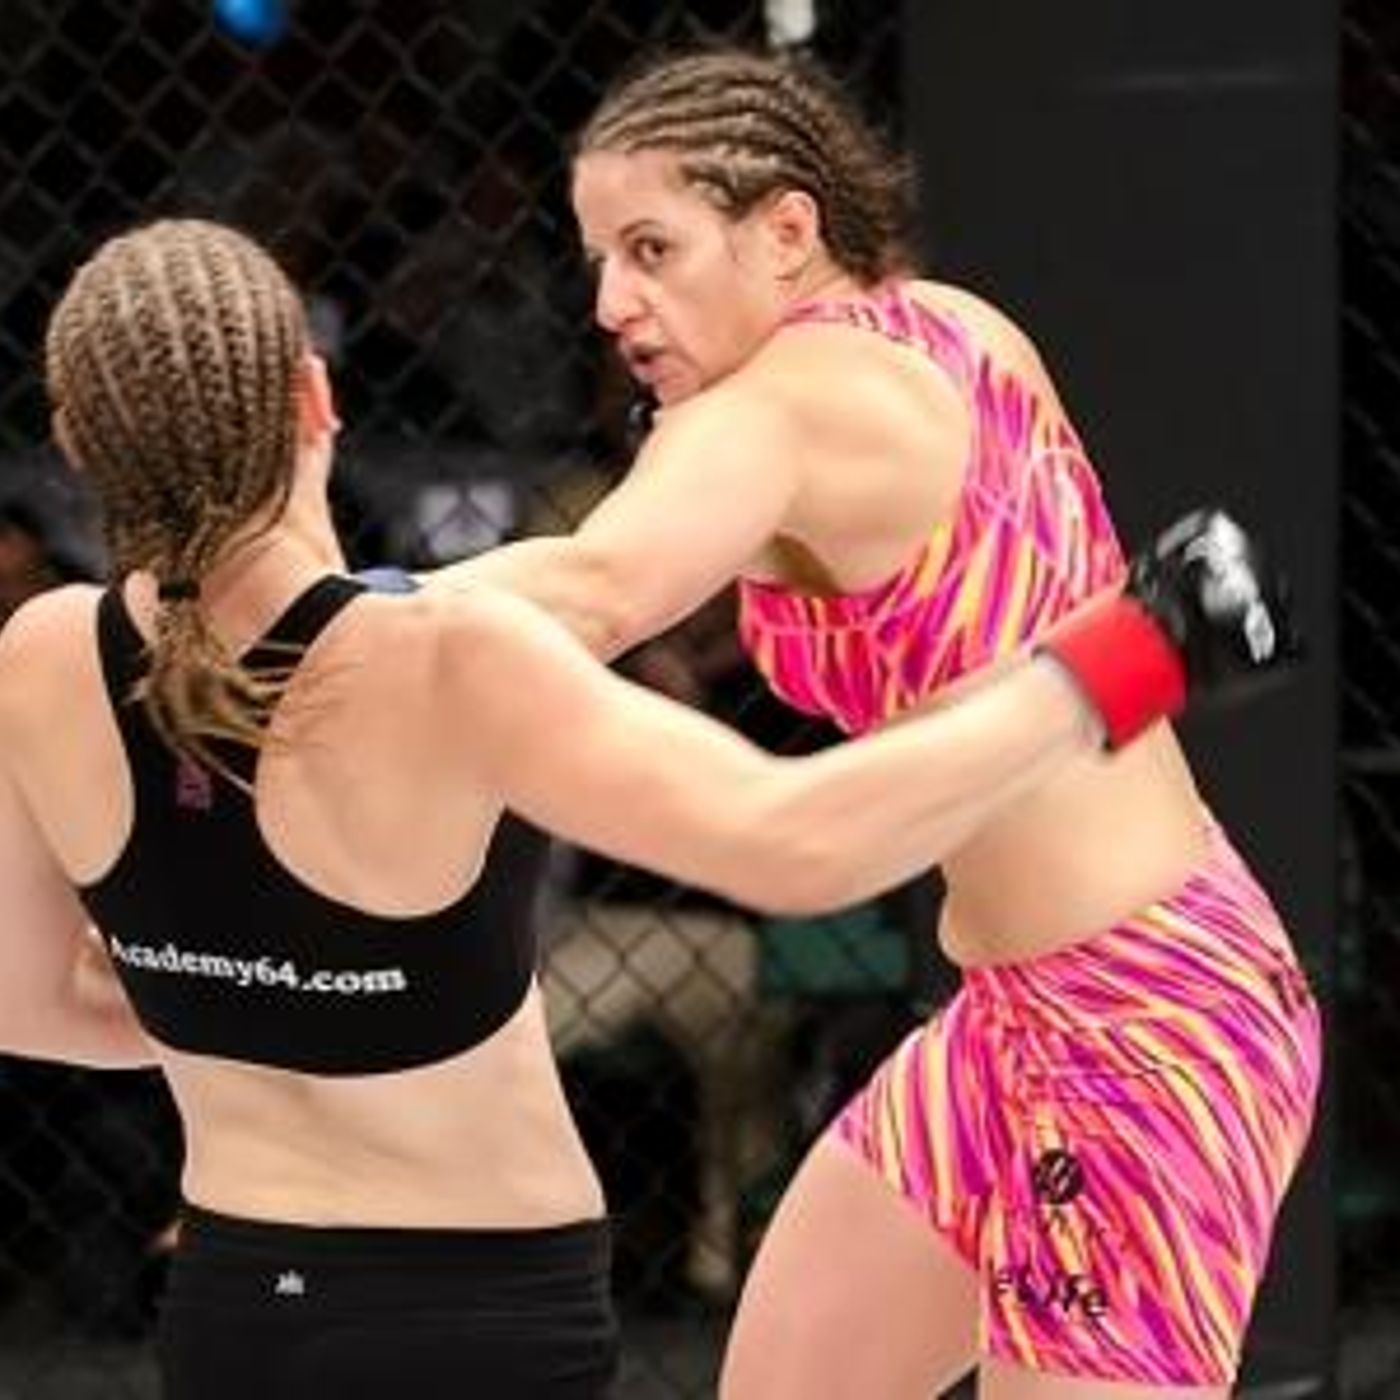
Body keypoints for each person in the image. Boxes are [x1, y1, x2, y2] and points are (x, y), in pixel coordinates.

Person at [5, 219, 1288, 1399]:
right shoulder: (444, 659)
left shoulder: (43, 658)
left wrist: (248, 999)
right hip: (470, 1315)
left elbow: (26, 1001)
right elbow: (795, 841)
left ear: (76, 440)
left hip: (235, 1300)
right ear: (313, 399)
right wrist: (1120, 658)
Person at [423, 48, 1323, 1400]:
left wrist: (313, 625)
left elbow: (590, 589)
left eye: (653, 250)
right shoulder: (953, 329)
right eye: (599, 258)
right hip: (1017, 1017)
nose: (609, 302)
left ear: (786, 230)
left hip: (1143, 1030)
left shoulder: (768, 416)